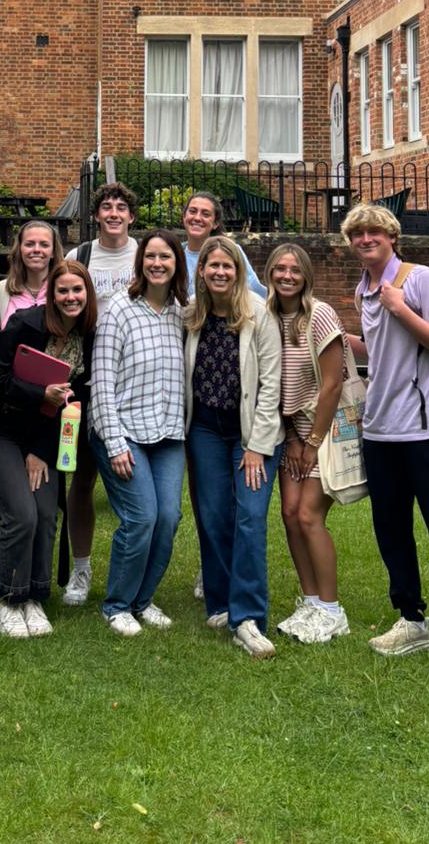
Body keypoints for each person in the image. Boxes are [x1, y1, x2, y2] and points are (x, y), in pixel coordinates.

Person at [341, 203, 429, 682]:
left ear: (392, 237)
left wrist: (400, 308)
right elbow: (382, 350)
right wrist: (343, 339)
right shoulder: (363, 290)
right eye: (357, 234)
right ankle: (412, 619)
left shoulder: (421, 281)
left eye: (374, 232)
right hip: (380, 428)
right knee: (391, 529)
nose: (366, 239)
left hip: (427, 429)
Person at [0, 260, 98, 637]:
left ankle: (33, 595)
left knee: (46, 514)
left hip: (43, 439)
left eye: (77, 290)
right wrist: (39, 394)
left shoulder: (87, 337)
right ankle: (10, 600)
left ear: (87, 294)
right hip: (2, 431)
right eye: (63, 290)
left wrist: (41, 450)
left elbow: (73, 404)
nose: (70, 297)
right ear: (52, 295)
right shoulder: (26, 324)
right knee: (21, 514)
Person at [183, 236, 283, 658]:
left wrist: (257, 446)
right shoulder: (191, 314)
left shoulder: (259, 314)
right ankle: (221, 602)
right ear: (201, 271)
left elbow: (271, 385)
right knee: (212, 516)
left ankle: (249, 617)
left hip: (251, 434)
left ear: (239, 272)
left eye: (228, 266)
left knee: (250, 518)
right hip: (205, 430)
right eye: (213, 266)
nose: (220, 272)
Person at [89, 229, 188, 636]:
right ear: (140, 262)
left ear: (177, 264)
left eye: (166, 257)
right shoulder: (118, 309)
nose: (157, 264)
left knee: (168, 518)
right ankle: (117, 605)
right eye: (151, 256)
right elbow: (101, 382)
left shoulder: (184, 312)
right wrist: (114, 443)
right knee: (141, 517)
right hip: (123, 431)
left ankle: (142, 600)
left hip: (169, 432)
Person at [266, 243, 351, 644]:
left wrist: (313, 441)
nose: (287, 276)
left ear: (306, 276)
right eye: (280, 269)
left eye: (295, 270)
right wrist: (294, 438)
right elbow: (273, 383)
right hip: (291, 433)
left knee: (308, 515)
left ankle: (332, 611)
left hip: (325, 429)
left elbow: (332, 384)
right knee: (288, 513)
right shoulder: (267, 316)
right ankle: (311, 601)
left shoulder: (319, 315)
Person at [62, 180, 139, 607]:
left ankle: (136, 570)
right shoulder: (81, 257)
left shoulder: (144, 255)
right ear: (96, 216)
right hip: (87, 377)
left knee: (137, 481)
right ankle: (81, 569)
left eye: (120, 208)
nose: (113, 213)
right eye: (106, 207)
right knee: (82, 478)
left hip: (133, 380)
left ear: (131, 216)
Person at [180, 191, 266, 299]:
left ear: (215, 223)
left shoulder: (232, 251)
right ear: (184, 217)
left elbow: (255, 292)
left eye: (205, 214)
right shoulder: (175, 254)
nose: (197, 218)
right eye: (192, 211)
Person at [0, 220, 63, 330]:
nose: (36, 250)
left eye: (44, 245)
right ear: (20, 249)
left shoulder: (64, 291)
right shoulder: (2, 291)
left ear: (53, 251)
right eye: (29, 244)